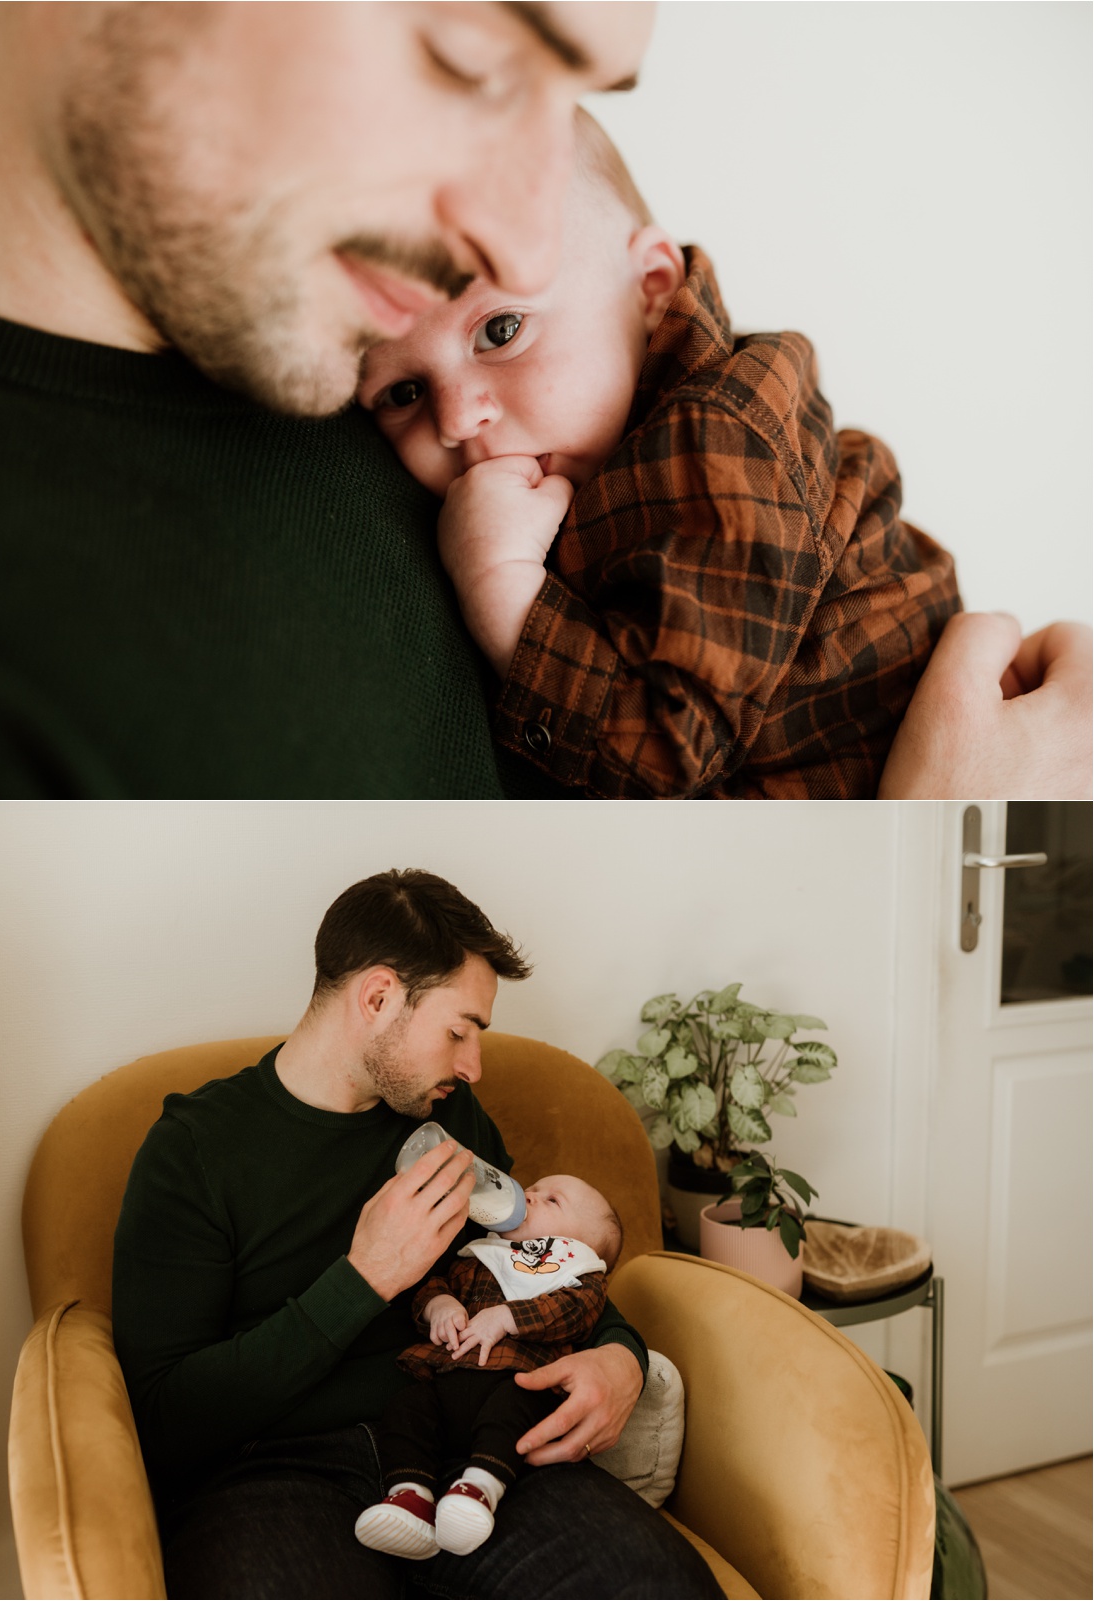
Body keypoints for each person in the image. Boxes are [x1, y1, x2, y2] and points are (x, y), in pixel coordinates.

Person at [0, 4, 1087, 800]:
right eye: (469, 53)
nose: (518, 242)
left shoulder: (553, 411)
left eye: (573, 97)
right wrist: (954, 848)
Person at [112, 868, 723, 1599]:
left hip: (474, 1447)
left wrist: (622, 1355)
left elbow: (534, 1263)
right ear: (377, 997)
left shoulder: (449, 1120)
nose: (473, 1066)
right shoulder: (196, 1150)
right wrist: (362, 1279)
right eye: (458, 1031)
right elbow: (165, 1416)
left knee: (659, 1583)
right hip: (277, 1474)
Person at [359, 110, 962, 798]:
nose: (458, 420)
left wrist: (501, 585)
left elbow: (665, 759)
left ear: (650, 288)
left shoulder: (716, 438)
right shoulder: (602, 444)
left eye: (501, 329)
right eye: (403, 389)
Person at [356, 1176, 622, 1560]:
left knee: (514, 1411)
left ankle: (480, 1488)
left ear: (577, 1244)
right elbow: (432, 1286)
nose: (530, 1194)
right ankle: (410, 1497)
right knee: (406, 1408)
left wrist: (507, 1318)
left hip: (513, 1382)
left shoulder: (578, 1276)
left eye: (552, 1200)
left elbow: (574, 1314)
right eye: (533, 1187)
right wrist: (440, 1306)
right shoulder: (479, 1256)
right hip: (445, 1384)